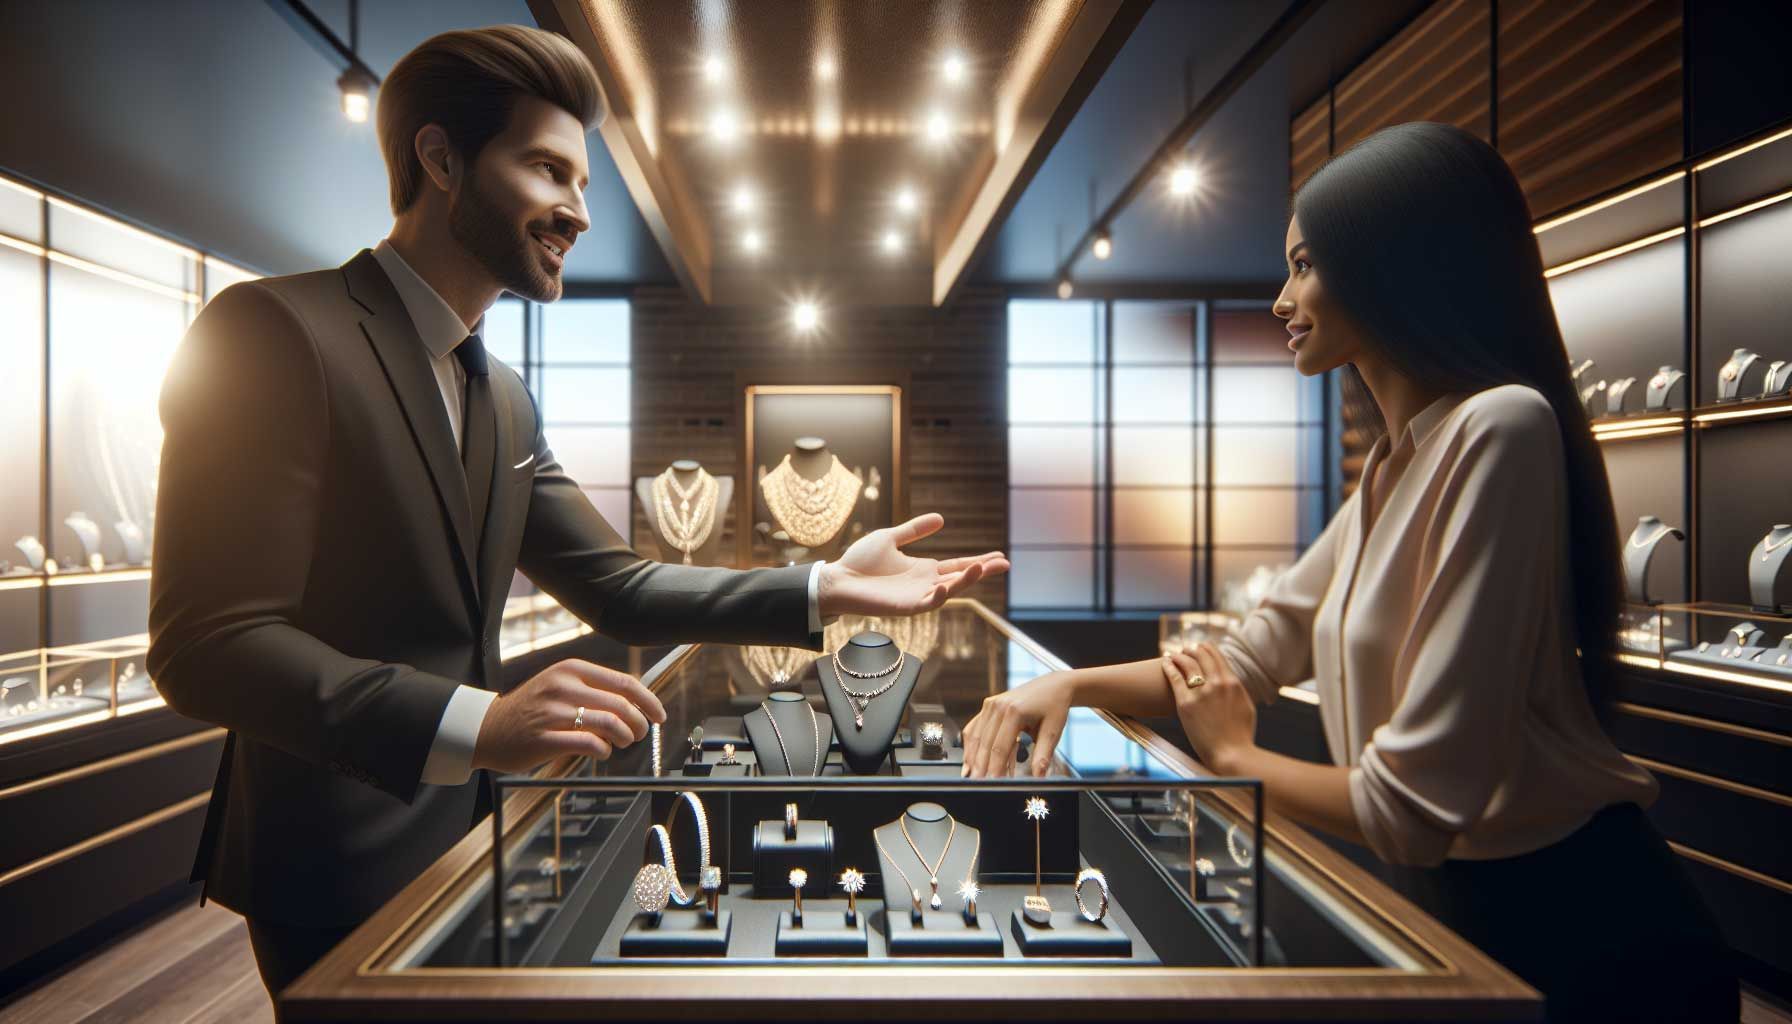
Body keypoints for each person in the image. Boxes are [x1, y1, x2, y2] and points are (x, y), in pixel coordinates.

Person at [146, 25, 1007, 1000]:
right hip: (331, 856)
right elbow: (206, 643)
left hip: (470, 840)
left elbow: (616, 585)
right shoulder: (270, 332)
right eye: (550, 171)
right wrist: (483, 722)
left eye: (586, 184)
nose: (580, 213)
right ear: (440, 160)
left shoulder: (502, 391)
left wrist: (823, 584)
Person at [962, 122, 1734, 1022]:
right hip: (1458, 916)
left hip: (1587, 930)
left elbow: (1412, 805)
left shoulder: (1501, 427)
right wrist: (1068, 685)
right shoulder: (1389, 469)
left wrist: (1234, 756)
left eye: (1305, 266)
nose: (1283, 299)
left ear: (1395, 267)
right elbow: (1251, 657)